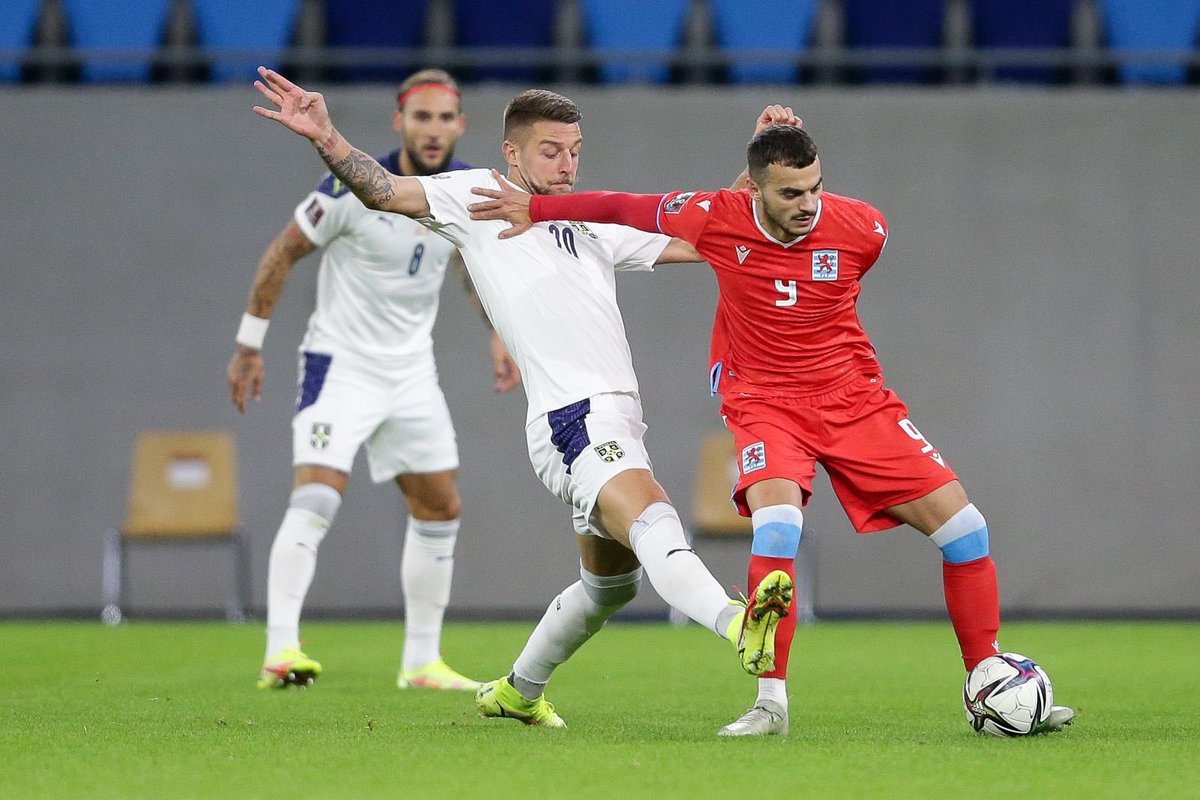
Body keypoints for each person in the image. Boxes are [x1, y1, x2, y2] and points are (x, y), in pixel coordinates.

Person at [466, 121, 1077, 737]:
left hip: (855, 400)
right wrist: (536, 207)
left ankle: (988, 675)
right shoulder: (716, 216)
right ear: (755, 192)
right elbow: (621, 206)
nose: (807, 205)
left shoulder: (865, 228)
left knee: (967, 530)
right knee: (778, 525)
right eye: (790, 194)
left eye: (814, 189)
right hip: (765, 404)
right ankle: (769, 704)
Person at [251, 67, 794, 728]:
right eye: (550, 151)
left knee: (608, 587)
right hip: (574, 420)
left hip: (618, 417)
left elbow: (704, 236)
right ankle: (738, 625)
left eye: (574, 152)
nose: (566, 165)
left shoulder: (587, 220)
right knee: (657, 521)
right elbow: (384, 190)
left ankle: (517, 691)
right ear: (511, 152)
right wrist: (327, 136)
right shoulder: (475, 196)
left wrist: (759, 169)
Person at [228, 69, 521, 692]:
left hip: (411, 372)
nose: (434, 129)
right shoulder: (346, 188)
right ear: (400, 122)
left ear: (461, 124)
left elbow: (466, 260)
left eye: (446, 118)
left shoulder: (462, 191)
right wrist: (249, 347)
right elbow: (281, 255)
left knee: (440, 506)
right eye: (422, 117)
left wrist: (497, 331)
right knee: (317, 498)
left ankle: (421, 663)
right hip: (340, 366)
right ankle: (281, 652)